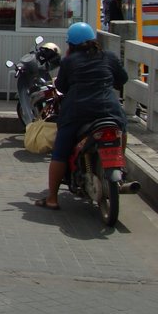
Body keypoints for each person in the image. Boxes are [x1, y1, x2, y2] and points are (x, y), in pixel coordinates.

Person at [34, 22, 128, 210]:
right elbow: (122, 79)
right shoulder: (109, 56)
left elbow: (61, 87)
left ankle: (52, 198)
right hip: (109, 108)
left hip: (77, 112)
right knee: (121, 130)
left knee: (60, 152)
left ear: (71, 44)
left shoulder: (69, 61)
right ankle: (120, 165)